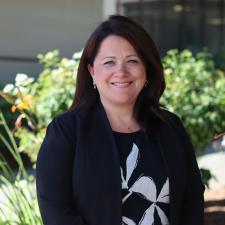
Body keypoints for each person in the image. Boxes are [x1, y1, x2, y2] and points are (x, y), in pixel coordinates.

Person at [36, 15, 205, 225]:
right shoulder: (67, 131)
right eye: (109, 62)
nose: (121, 72)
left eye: (132, 61)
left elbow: (192, 200)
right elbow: (55, 210)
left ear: (147, 69)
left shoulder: (170, 126)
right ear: (91, 71)